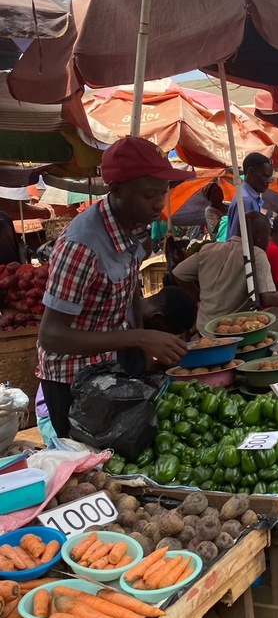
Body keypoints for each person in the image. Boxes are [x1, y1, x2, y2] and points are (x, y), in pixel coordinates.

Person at [38, 136, 189, 438]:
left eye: (162, 193)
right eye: (150, 195)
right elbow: (51, 335)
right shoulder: (82, 246)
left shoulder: (129, 226)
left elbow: (130, 284)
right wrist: (140, 337)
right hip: (73, 383)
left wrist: (141, 346)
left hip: (108, 368)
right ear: (117, 190)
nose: (159, 203)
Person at [36, 286, 197, 444]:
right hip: (55, 412)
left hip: (90, 402)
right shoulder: (122, 329)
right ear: (157, 318)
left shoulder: (130, 321)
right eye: (164, 335)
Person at [175, 212, 278, 334]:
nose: (269, 239)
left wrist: (198, 298)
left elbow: (178, 273)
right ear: (259, 236)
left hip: (204, 327)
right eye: (268, 235)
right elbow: (268, 298)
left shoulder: (209, 249)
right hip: (232, 330)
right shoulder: (256, 254)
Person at [225, 153, 273, 239]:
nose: (269, 181)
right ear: (251, 173)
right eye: (265, 176)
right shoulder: (245, 200)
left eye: (270, 177)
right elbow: (237, 239)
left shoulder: (251, 197)